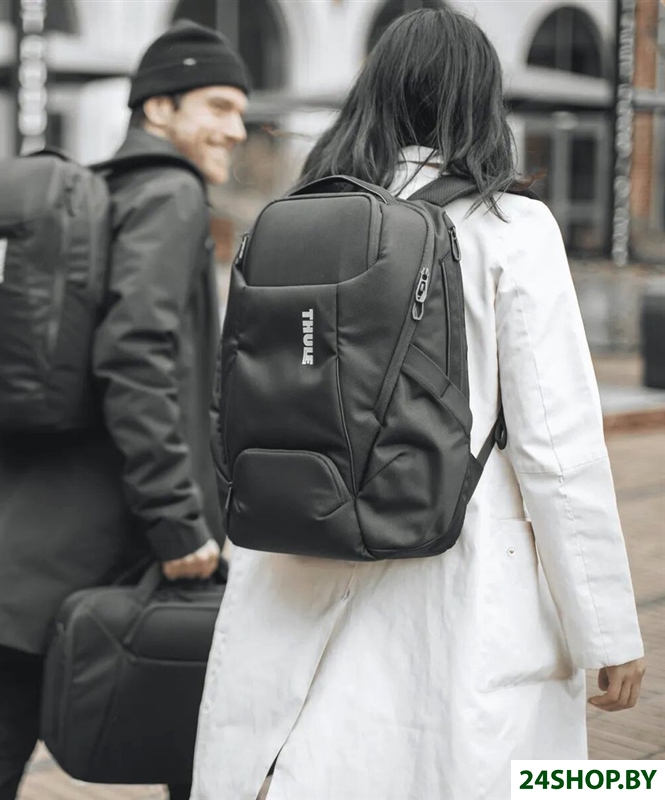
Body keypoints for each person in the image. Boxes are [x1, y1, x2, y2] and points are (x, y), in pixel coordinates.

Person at [191, 9, 645, 800]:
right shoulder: (510, 227)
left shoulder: (297, 218)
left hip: (293, 554)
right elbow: (557, 446)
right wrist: (605, 628)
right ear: (482, 102)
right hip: (451, 570)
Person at [0, 20, 248, 800]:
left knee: (1, 708)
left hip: (42, 515)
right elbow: (136, 357)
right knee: (193, 712)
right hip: (109, 521)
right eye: (218, 106)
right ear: (158, 107)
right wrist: (179, 521)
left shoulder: (105, 188)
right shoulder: (169, 193)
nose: (236, 128)